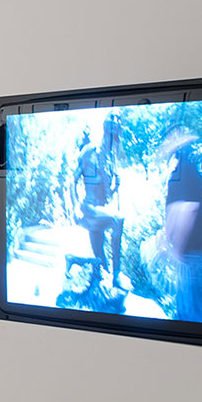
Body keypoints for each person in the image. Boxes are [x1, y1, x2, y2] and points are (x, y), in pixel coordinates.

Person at [155, 126, 202, 323]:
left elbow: (187, 209)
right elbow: (177, 209)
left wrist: (176, 251)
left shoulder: (183, 172)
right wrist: (166, 237)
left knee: (195, 317)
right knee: (192, 313)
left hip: (194, 255)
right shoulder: (184, 171)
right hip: (197, 254)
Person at [74, 114, 126, 292]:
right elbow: (72, 180)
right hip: (88, 209)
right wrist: (75, 206)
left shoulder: (110, 158)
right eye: (112, 128)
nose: (114, 134)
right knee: (118, 219)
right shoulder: (91, 150)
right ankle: (117, 274)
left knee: (101, 264)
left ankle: (74, 262)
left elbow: (106, 194)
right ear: (105, 128)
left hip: (101, 210)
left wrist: (115, 187)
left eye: (116, 130)